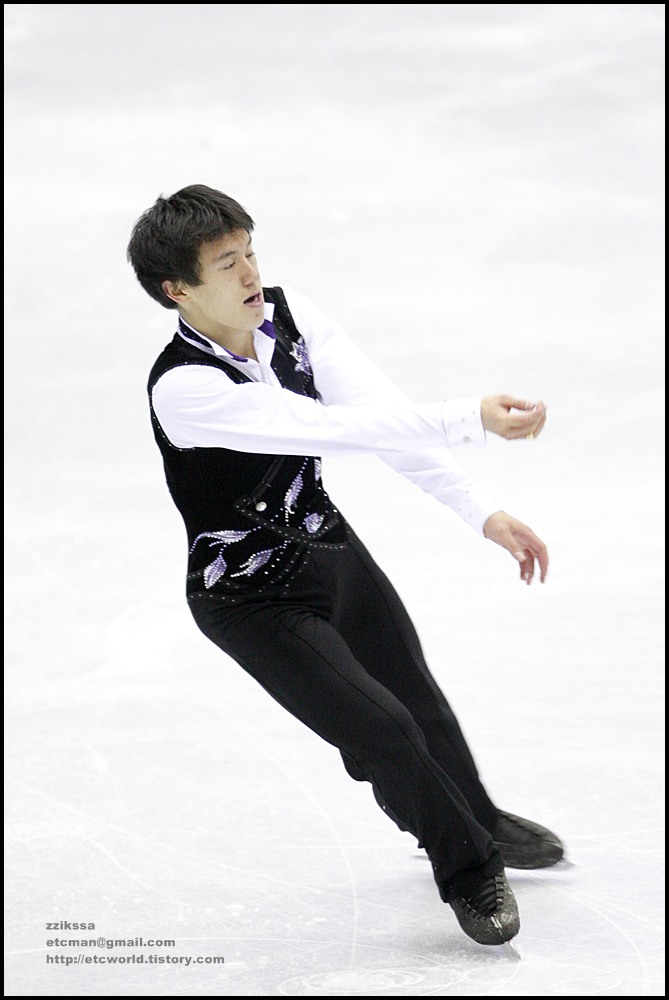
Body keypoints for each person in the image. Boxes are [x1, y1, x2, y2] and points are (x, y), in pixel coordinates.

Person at [127, 184, 564, 947]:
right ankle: (468, 867)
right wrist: (469, 418)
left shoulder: (289, 319)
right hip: (251, 599)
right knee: (383, 729)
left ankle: (475, 811)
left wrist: (480, 511)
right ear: (178, 289)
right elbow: (325, 427)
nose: (249, 273)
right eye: (226, 263)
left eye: (250, 251)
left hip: (328, 548)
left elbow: (379, 412)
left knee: (417, 698)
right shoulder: (184, 388)